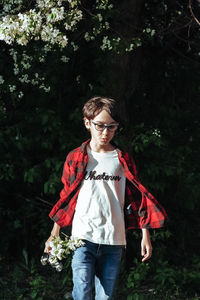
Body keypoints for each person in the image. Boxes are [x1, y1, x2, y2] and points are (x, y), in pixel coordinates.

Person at [44, 96, 167, 300]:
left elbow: (138, 199)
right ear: (87, 123)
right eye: (100, 126)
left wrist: (145, 235)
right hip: (82, 238)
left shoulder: (122, 159)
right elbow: (66, 197)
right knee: (82, 293)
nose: (105, 132)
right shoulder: (76, 157)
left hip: (114, 239)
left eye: (112, 126)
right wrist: (54, 233)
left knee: (106, 297)